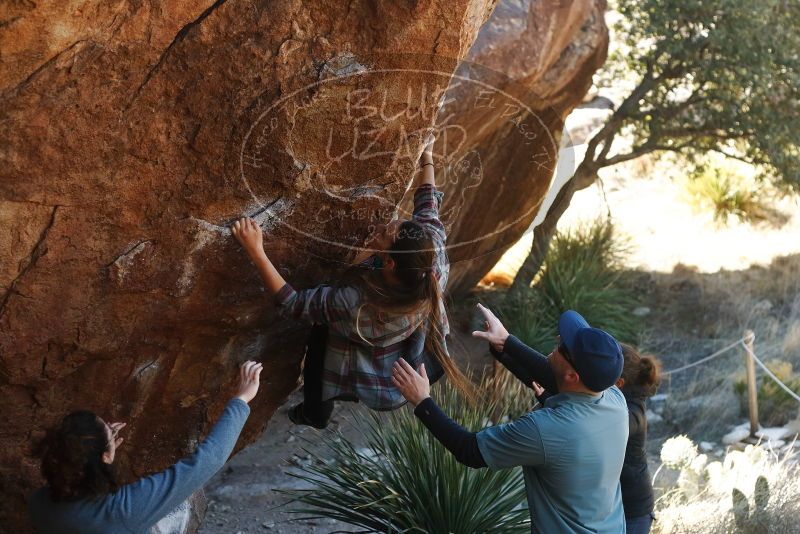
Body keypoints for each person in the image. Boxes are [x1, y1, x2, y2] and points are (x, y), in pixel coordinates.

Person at [232, 134, 471, 429]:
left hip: (379, 361)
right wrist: (427, 155)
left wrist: (257, 252)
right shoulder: (431, 260)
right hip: (405, 345)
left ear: (390, 262)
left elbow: (294, 303)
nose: (380, 226)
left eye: (385, 232)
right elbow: (428, 207)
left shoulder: (355, 302)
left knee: (321, 331)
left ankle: (315, 410)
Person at [392, 307, 628, 534]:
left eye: (562, 346)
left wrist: (422, 401)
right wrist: (506, 343)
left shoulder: (547, 430)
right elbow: (556, 380)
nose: (558, 338)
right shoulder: (613, 400)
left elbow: (470, 450)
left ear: (572, 375)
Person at [28, 361, 263, 533]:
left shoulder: (39, 504)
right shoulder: (124, 510)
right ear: (104, 456)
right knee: (187, 501)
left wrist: (104, 448)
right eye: (108, 432)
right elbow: (209, 460)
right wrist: (240, 400)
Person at [532, 344, 661, 534]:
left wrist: (550, 400)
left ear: (618, 383)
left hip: (632, 511)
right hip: (608, 506)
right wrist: (504, 347)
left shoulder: (632, 414)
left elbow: (590, 426)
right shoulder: (608, 401)